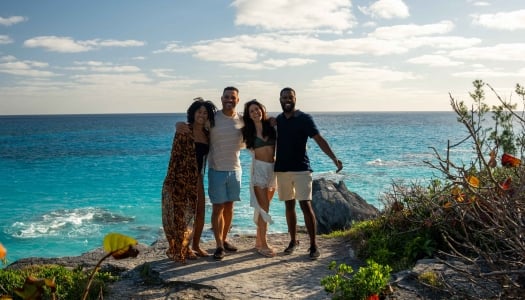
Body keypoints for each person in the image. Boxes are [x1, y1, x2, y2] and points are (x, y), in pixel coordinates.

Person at [274, 87, 343, 260]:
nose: (287, 100)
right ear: (280, 99)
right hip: (282, 170)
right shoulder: (278, 120)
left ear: (295, 98)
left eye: (290, 97)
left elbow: (319, 139)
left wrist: (334, 159)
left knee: (306, 205)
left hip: (302, 169)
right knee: (289, 207)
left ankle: (313, 245)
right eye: (284, 97)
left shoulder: (305, 119)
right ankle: (293, 240)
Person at [176, 86, 244, 261]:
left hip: (235, 169)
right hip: (215, 170)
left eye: (233, 97)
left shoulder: (243, 120)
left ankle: (222, 239)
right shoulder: (213, 119)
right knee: (216, 208)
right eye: (226, 96)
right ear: (222, 99)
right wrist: (178, 124)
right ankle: (218, 245)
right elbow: (196, 123)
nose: (229, 99)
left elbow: (258, 127)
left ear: (238, 99)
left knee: (229, 207)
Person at [162, 98, 217, 263]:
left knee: (199, 212)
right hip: (181, 177)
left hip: (198, 177)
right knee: (181, 214)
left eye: (205, 113)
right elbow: (174, 156)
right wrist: (172, 179)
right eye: (199, 112)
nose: (202, 115)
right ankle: (182, 248)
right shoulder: (184, 130)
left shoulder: (207, 134)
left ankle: (196, 245)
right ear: (193, 113)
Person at [241, 99, 277, 258]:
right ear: (248, 115)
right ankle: (263, 244)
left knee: (265, 206)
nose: (255, 112)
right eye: (251, 111)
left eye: (257, 109)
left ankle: (257, 240)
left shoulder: (272, 127)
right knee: (264, 208)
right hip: (259, 171)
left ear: (262, 109)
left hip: (273, 170)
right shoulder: (246, 132)